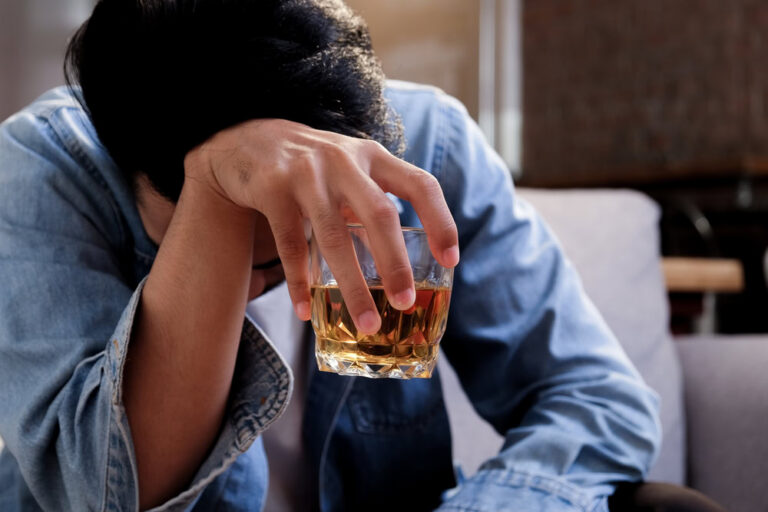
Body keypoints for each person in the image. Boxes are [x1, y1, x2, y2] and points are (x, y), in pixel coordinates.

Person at [0, 0, 661, 510]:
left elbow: (594, 398)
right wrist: (216, 193)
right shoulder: (46, 166)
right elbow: (103, 494)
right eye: (254, 259)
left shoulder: (427, 145)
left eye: (301, 240)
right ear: (125, 169)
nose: (270, 285)